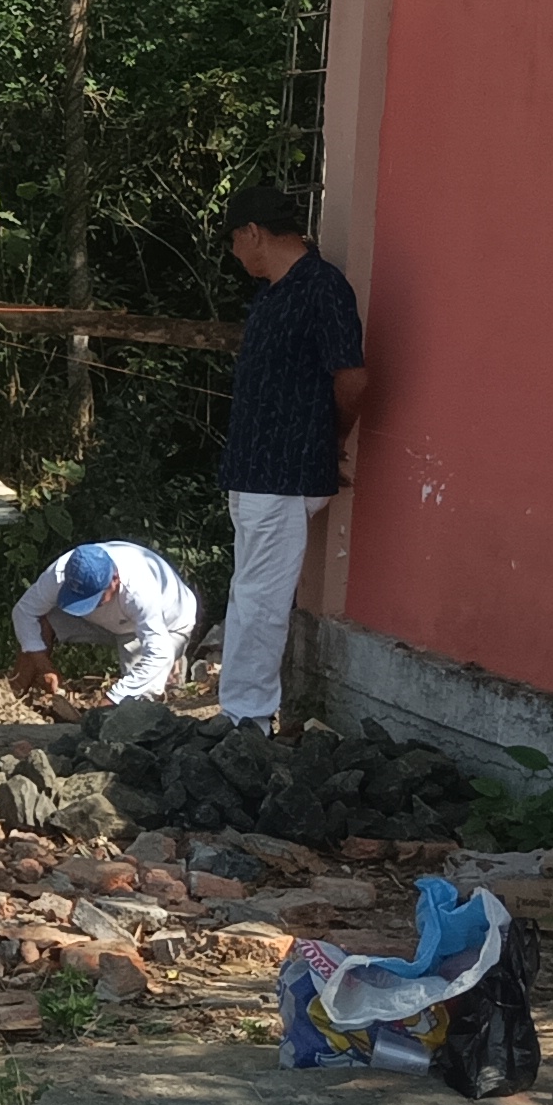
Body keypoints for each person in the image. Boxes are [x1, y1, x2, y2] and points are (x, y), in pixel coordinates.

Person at [215, 185, 366, 732]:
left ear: (252, 232)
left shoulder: (322, 287)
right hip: (254, 467)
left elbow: (351, 377)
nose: (235, 253)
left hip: (284, 469)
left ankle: (248, 717)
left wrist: (331, 439)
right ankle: (240, 709)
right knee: (249, 590)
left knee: (260, 596)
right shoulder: (273, 293)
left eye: (234, 240)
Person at [7, 540, 201, 707]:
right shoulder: (60, 574)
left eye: (93, 598)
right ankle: (13, 698)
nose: (86, 605)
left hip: (163, 628)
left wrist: (111, 699)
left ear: (115, 579)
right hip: (105, 620)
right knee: (41, 621)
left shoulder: (140, 591)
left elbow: (158, 654)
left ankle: (172, 670)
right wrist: (44, 666)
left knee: (139, 700)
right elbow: (24, 612)